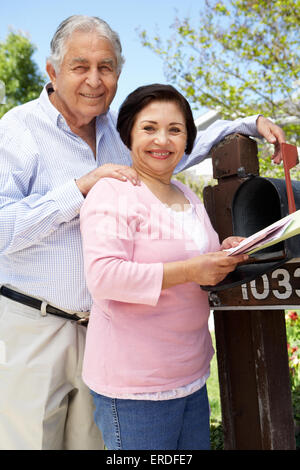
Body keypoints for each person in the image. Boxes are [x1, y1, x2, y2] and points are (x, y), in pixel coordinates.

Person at [0, 15, 285, 451]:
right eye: (80, 66)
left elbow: (178, 144)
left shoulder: (118, 135)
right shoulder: (15, 133)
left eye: (107, 67)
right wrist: (77, 189)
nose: (95, 80)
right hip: (34, 325)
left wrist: (248, 123)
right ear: (53, 72)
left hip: (105, 333)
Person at [80, 83, 251, 450]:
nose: (163, 139)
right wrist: (192, 270)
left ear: (188, 139)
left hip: (190, 373)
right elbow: (104, 276)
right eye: (149, 128)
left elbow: (191, 253)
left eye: (175, 130)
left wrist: (224, 251)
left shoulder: (186, 193)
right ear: (128, 133)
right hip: (135, 387)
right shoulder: (113, 192)